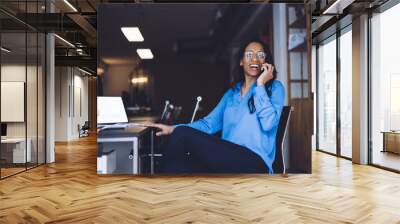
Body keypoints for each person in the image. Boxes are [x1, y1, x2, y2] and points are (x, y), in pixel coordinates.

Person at [145, 39, 285, 174]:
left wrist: (260, 85)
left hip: (255, 162)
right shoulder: (231, 94)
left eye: (260, 55)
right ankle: (169, 192)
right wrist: (171, 129)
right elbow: (208, 124)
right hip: (227, 158)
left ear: (265, 62)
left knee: (182, 134)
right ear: (241, 61)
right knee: (184, 162)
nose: (255, 59)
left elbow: (268, 124)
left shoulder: (274, 88)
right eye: (249, 55)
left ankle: (162, 187)